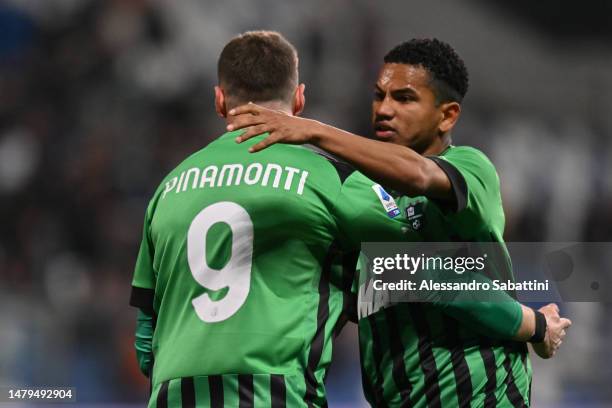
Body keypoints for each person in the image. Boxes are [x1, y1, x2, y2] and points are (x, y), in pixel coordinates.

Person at [229, 38, 572, 407]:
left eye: (405, 98)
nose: (384, 109)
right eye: (380, 96)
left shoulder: (473, 169)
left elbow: (419, 178)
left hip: (477, 398)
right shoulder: (360, 196)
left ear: (448, 115)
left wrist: (314, 131)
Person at [129, 30, 415, 408]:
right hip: (277, 394)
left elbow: (145, 340)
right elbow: (413, 250)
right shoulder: (331, 179)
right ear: (299, 100)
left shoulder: (167, 190)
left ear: (219, 100)